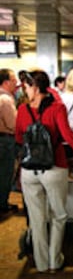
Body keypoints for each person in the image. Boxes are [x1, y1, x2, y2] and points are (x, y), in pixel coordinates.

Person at [15, 69, 73, 273]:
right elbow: (67, 135)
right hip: (54, 167)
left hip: (28, 170)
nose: (25, 90)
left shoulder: (23, 110)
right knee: (59, 215)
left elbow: (18, 137)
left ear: (35, 87)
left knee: (37, 218)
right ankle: (54, 260)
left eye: (26, 86)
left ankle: (41, 264)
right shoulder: (57, 108)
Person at [0, 68, 18, 213]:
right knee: (5, 173)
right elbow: (12, 124)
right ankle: (2, 204)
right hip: (5, 141)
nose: (16, 83)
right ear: (6, 82)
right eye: (13, 80)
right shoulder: (5, 99)